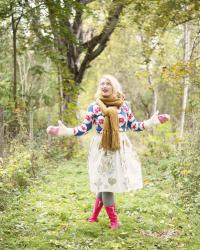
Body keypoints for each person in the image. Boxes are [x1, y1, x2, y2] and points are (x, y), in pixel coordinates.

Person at [47, 74, 170, 230]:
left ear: (114, 87)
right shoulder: (94, 107)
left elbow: (134, 126)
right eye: (102, 84)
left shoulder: (124, 106)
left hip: (119, 149)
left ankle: (93, 218)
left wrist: (153, 121)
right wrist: (64, 131)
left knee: (104, 184)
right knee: (106, 186)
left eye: (108, 83)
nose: (104, 86)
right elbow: (83, 129)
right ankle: (114, 222)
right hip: (102, 150)